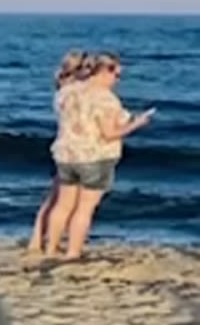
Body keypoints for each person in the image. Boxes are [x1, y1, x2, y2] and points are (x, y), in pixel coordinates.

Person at [41, 51, 156, 259]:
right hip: (95, 157)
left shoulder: (66, 91)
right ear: (105, 71)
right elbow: (110, 134)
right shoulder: (106, 99)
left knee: (62, 205)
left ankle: (50, 249)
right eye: (117, 75)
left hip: (66, 154)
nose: (117, 80)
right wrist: (136, 124)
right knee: (84, 209)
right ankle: (72, 252)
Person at [26, 49, 89, 254]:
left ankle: (37, 240)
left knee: (55, 196)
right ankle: (49, 242)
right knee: (66, 201)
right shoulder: (74, 92)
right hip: (74, 149)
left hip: (64, 147)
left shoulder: (63, 91)